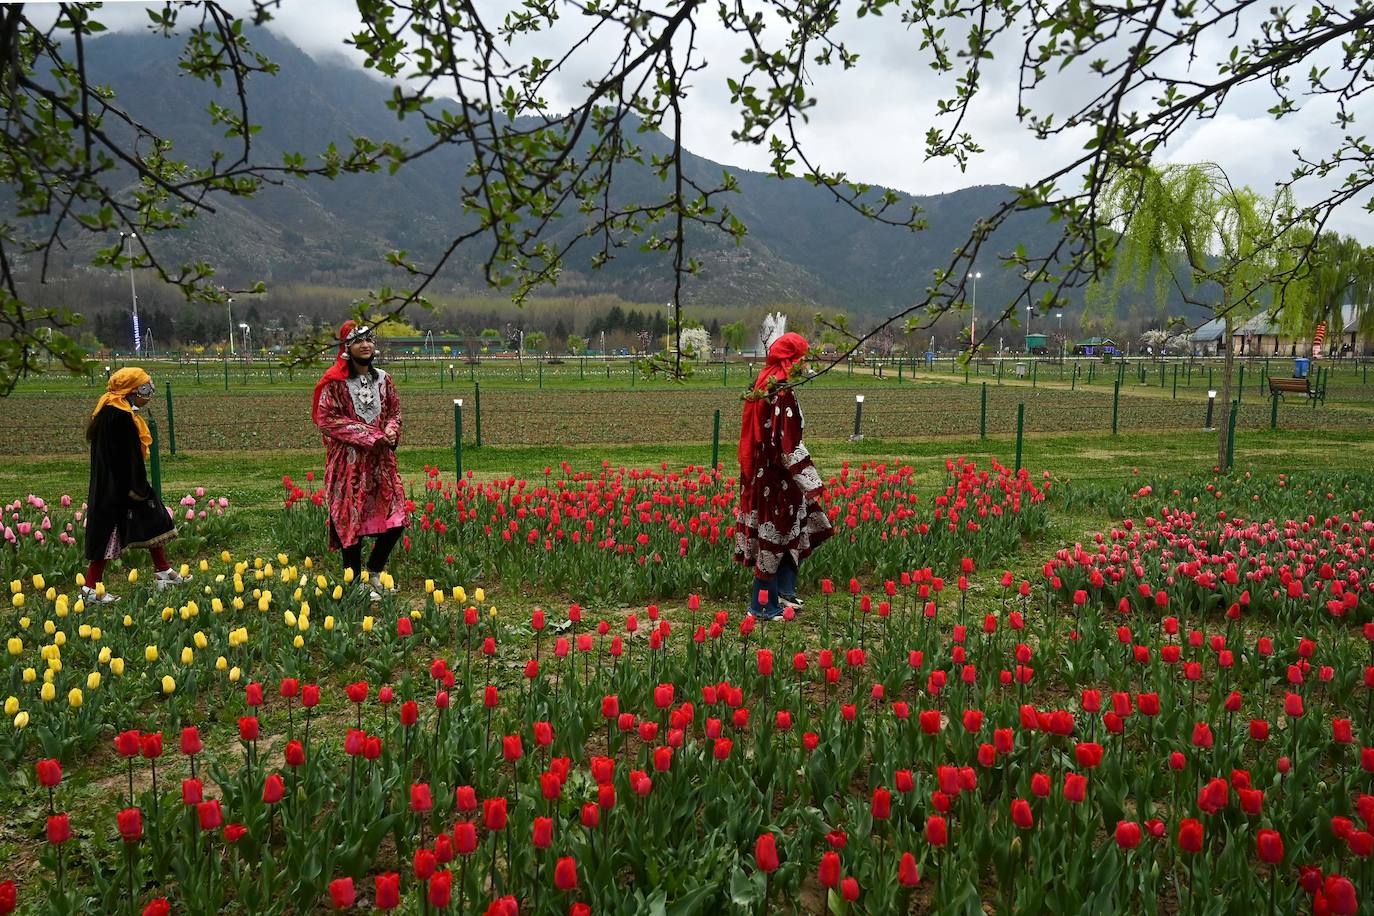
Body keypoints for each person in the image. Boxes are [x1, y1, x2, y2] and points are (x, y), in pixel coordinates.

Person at [733, 331, 832, 620]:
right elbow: (786, 443)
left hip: (765, 473)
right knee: (774, 535)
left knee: (796, 528)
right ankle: (762, 604)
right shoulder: (782, 392)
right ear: (792, 359)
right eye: (802, 359)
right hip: (778, 477)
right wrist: (811, 480)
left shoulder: (764, 383)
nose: (804, 365)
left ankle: (784, 592)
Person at [312, 321, 407, 598]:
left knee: (397, 517)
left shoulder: (384, 380)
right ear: (347, 347)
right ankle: (354, 583)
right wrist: (369, 435)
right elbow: (326, 419)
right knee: (349, 519)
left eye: (369, 340)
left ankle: (375, 571)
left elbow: (395, 412)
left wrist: (389, 432)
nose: (365, 345)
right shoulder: (335, 383)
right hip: (349, 463)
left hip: (381, 462)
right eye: (358, 341)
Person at [82, 367, 189, 604]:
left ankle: (163, 571)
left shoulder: (110, 413)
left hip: (114, 485)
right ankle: (90, 589)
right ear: (131, 391)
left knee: (152, 523)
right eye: (145, 390)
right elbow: (128, 458)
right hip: (121, 488)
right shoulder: (119, 418)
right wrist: (138, 488)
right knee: (110, 534)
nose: (149, 395)